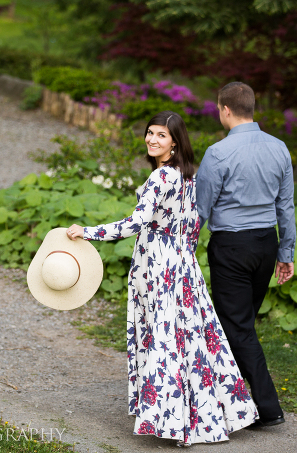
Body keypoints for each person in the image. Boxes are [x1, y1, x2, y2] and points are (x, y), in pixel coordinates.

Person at [66, 111, 258, 446]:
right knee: (192, 337)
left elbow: (135, 223)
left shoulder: (160, 179)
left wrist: (89, 232)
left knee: (165, 338)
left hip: (158, 266)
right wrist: (183, 252)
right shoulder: (191, 176)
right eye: (150, 133)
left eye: (161, 136)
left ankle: (171, 419)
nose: (153, 140)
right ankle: (209, 417)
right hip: (183, 264)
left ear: (175, 142)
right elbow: (194, 224)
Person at [195, 82, 295, 428]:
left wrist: (182, 246)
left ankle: (268, 408)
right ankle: (230, 400)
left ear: (224, 109)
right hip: (266, 245)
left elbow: (200, 208)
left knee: (237, 328)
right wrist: (287, 250)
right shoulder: (280, 148)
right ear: (251, 108)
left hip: (232, 248)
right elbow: (286, 205)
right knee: (238, 324)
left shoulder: (218, 153)